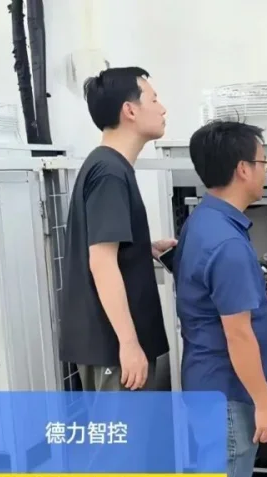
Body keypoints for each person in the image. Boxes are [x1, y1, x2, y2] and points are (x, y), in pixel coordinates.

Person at [173, 120, 267, 477]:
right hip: (230, 395)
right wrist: (264, 403)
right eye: (263, 162)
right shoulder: (228, 243)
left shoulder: (202, 221)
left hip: (205, 382)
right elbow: (238, 334)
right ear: (243, 169)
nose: (266, 171)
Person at [59, 66, 176, 392]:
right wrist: (129, 343)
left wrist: (141, 248)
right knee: (123, 428)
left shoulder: (108, 166)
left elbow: (106, 248)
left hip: (111, 346)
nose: (163, 109)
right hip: (114, 349)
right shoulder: (110, 172)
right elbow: (101, 261)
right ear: (130, 111)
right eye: (153, 99)